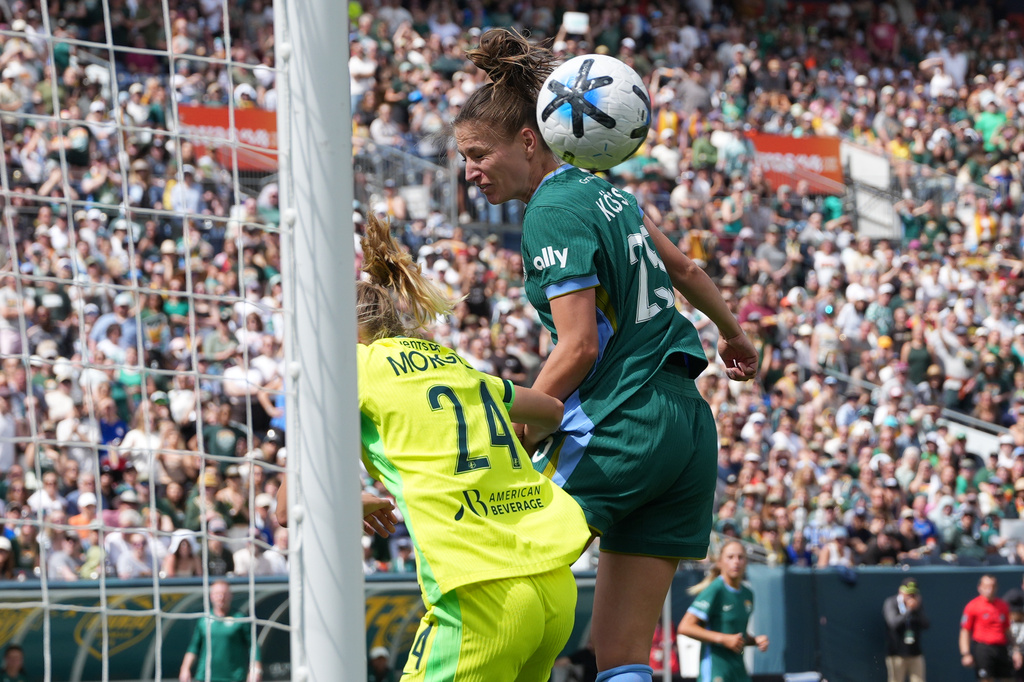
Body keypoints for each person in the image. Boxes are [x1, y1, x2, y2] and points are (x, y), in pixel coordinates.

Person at [452, 29, 758, 680]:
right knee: (620, 657)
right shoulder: (613, 197)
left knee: (487, 572)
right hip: (686, 430)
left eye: (478, 154)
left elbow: (580, 346)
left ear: (529, 141)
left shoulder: (552, 209)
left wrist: (517, 425)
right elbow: (689, 271)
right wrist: (735, 335)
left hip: (622, 423)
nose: (470, 172)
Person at [350, 213, 590, 681]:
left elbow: (286, 506)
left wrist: (347, 500)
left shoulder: (355, 366)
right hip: (554, 590)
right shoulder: (452, 362)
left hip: (480, 593)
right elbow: (550, 412)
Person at [677, 540, 769, 682]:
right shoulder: (716, 589)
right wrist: (724, 639)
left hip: (738, 669)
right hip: (716, 667)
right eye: (730, 557)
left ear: (746, 562)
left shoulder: (748, 594)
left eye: (740, 557)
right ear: (720, 562)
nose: (736, 562)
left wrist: (755, 640)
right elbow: (685, 627)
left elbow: (736, 634)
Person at [179, 580, 261, 682]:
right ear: (211, 596)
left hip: (234, 678)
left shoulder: (240, 619)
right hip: (206, 677)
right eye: (217, 594)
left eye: (224, 594)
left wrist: (256, 670)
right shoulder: (204, 620)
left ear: (230, 596)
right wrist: (185, 668)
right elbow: (194, 647)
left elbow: (253, 646)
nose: (221, 598)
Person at [961, 574, 1019, 682]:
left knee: (1009, 678)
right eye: (986, 586)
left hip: (1002, 648)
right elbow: (965, 631)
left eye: (992, 586)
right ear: (980, 588)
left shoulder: (1003, 606)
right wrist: (966, 653)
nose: (990, 589)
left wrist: (1016, 649)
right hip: (984, 649)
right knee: (986, 679)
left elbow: (1007, 630)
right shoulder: (972, 606)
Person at [883, 577, 929, 682]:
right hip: (896, 653)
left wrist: (916, 610)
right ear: (901, 591)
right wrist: (908, 610)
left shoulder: (918, 606)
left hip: (915, 653)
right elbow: (893, 623)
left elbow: (926, 624)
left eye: (913, 594)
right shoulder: (891, 603)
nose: (910, 597)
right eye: (908, 593)